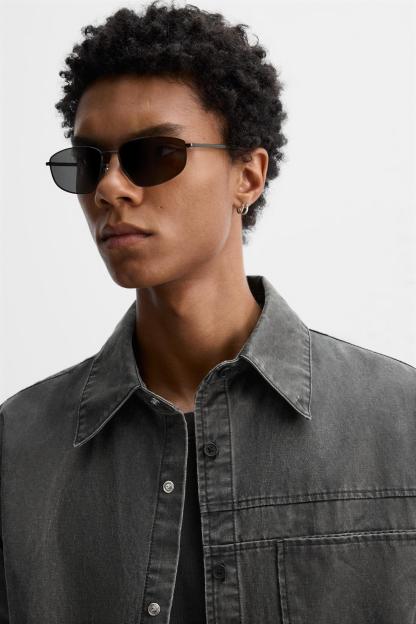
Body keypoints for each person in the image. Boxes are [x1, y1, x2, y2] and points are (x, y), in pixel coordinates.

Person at [1, 2, 416, 623]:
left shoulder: (400, 422)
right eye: (88, 163)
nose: (110, 188)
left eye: (154, 154)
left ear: (247, 175)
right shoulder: (19, 447)